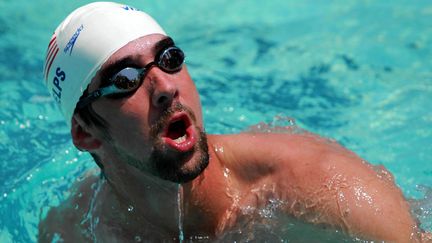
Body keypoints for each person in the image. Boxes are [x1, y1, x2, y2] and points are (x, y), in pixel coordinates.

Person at [38, 2, 430, 242]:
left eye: (170, 59)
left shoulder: (318, 187)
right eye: (124, 80)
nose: (164, 88)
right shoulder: (76, 229)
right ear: (86, 133)